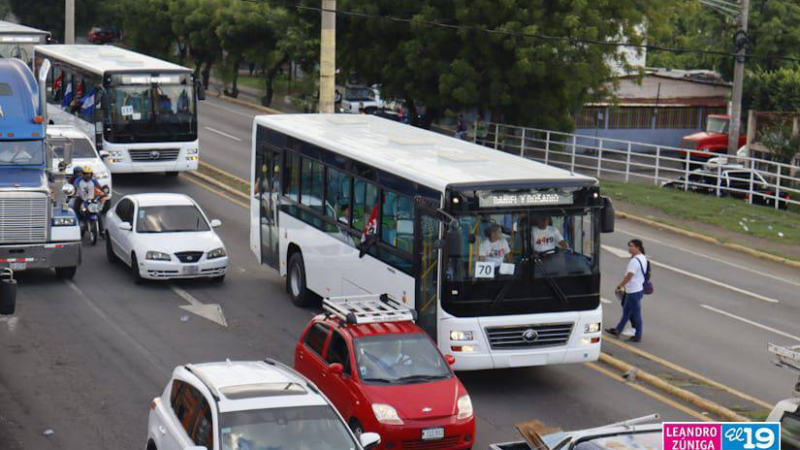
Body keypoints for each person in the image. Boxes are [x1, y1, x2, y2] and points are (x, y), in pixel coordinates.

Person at [606, 239, 649, 343]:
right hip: (636, 290)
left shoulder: (635, 261)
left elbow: (629, 276)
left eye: (631, 246)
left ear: (638, 247)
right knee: (626, 312)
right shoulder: (643, 257)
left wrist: (620, 285)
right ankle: (618, 330)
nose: (629, 248)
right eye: (629, 246)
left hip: (633, 291)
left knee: (636, 314)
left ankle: (638, 336)